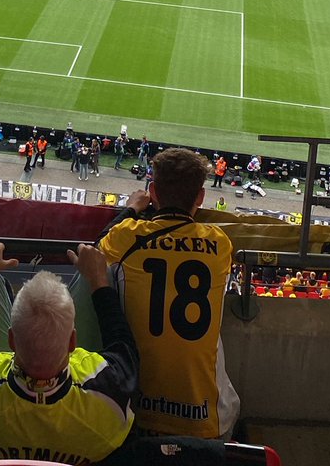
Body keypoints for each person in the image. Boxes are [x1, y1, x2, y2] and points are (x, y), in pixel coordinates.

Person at [94, 147, 239, 440]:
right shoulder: (219, 243)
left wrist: (132, 208)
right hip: (204, 419)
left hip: (137, 411)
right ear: (200, 197)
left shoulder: (127, 235)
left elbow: (95, 249)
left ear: (153, 191)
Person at [0, 242, 138, 463]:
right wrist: (98, 279)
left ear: (11, 340)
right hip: (86, 420)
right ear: (72, 342)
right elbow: (123, 344)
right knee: (102, 272)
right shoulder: (109, 397)